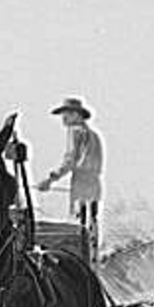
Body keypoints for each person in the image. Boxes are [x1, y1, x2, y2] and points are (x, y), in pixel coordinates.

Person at [36, 97, 103, 261]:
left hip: (81, 182)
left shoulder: (75, 131)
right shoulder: (93, 135)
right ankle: (92, 260)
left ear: (77, 114)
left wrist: (50, 179)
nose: (63, 118)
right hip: (94, 184)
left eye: (67, 114)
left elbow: (70, 160)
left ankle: (82, 263)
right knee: (91, 224)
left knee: (79, 226)